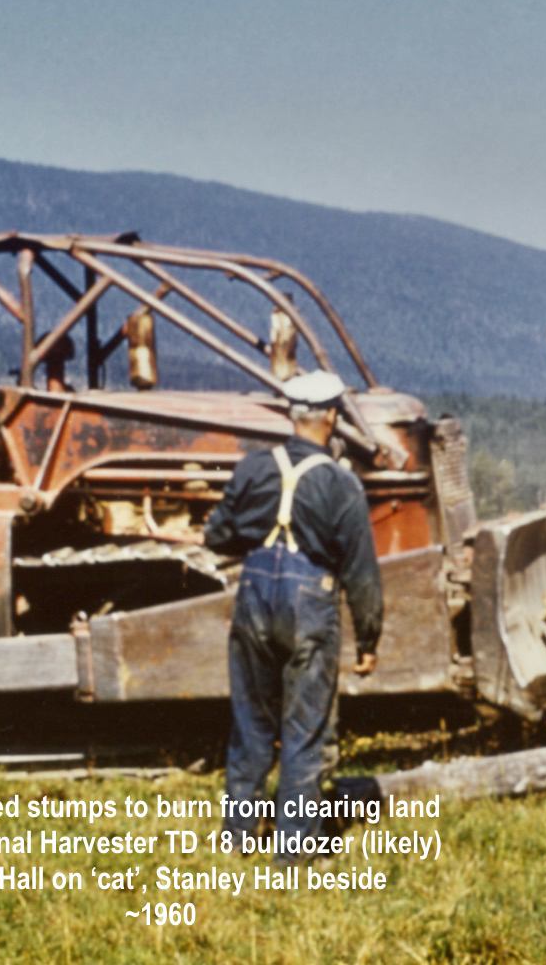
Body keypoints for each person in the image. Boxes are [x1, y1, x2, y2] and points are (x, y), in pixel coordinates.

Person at [204, 370, 382, 864]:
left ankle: (237, 838)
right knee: (304, 727)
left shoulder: (253, 468)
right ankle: (294, 850)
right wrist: (368, 638)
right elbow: (361, 571)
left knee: (251, 723)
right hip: (310, 603)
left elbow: (217, 537)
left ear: (292, 415)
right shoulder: (341, 484)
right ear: (331, 418)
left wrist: (258, 541)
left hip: (254, 596)